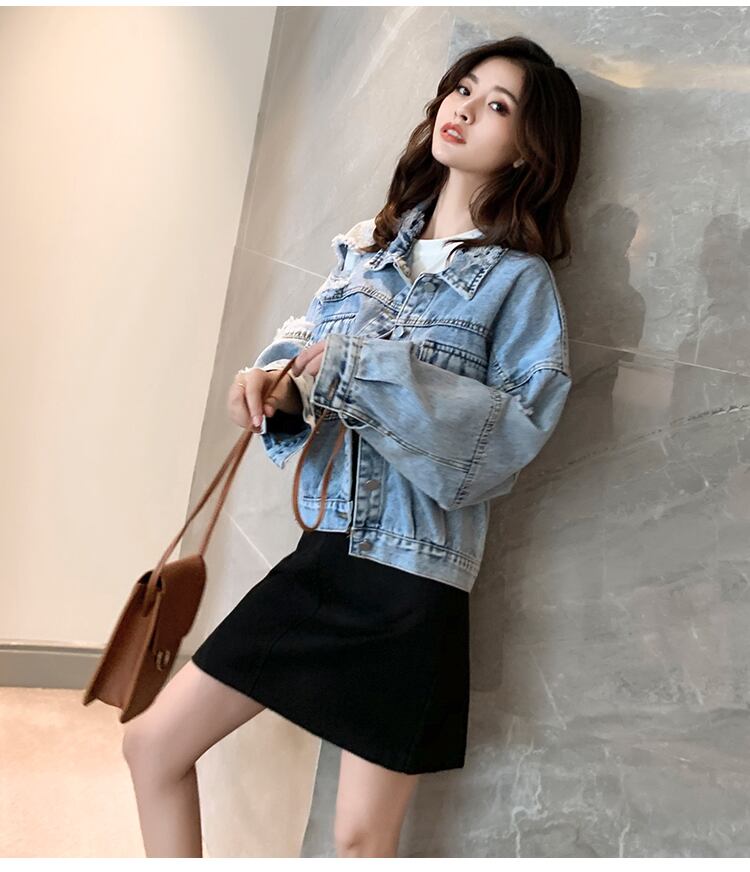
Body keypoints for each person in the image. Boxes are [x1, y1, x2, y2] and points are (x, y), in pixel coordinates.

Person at [121, 35, 582, 858]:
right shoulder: (368, 247)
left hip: (411, 579)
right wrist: (272, 386)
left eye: (498, 106)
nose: (466, 108)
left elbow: (505, 442)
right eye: (464, 88)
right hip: (324, 556)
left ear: (526, 149)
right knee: (152, 745)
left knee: (362, 839)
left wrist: (358, 369)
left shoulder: (519, 284)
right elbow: (305, 354)